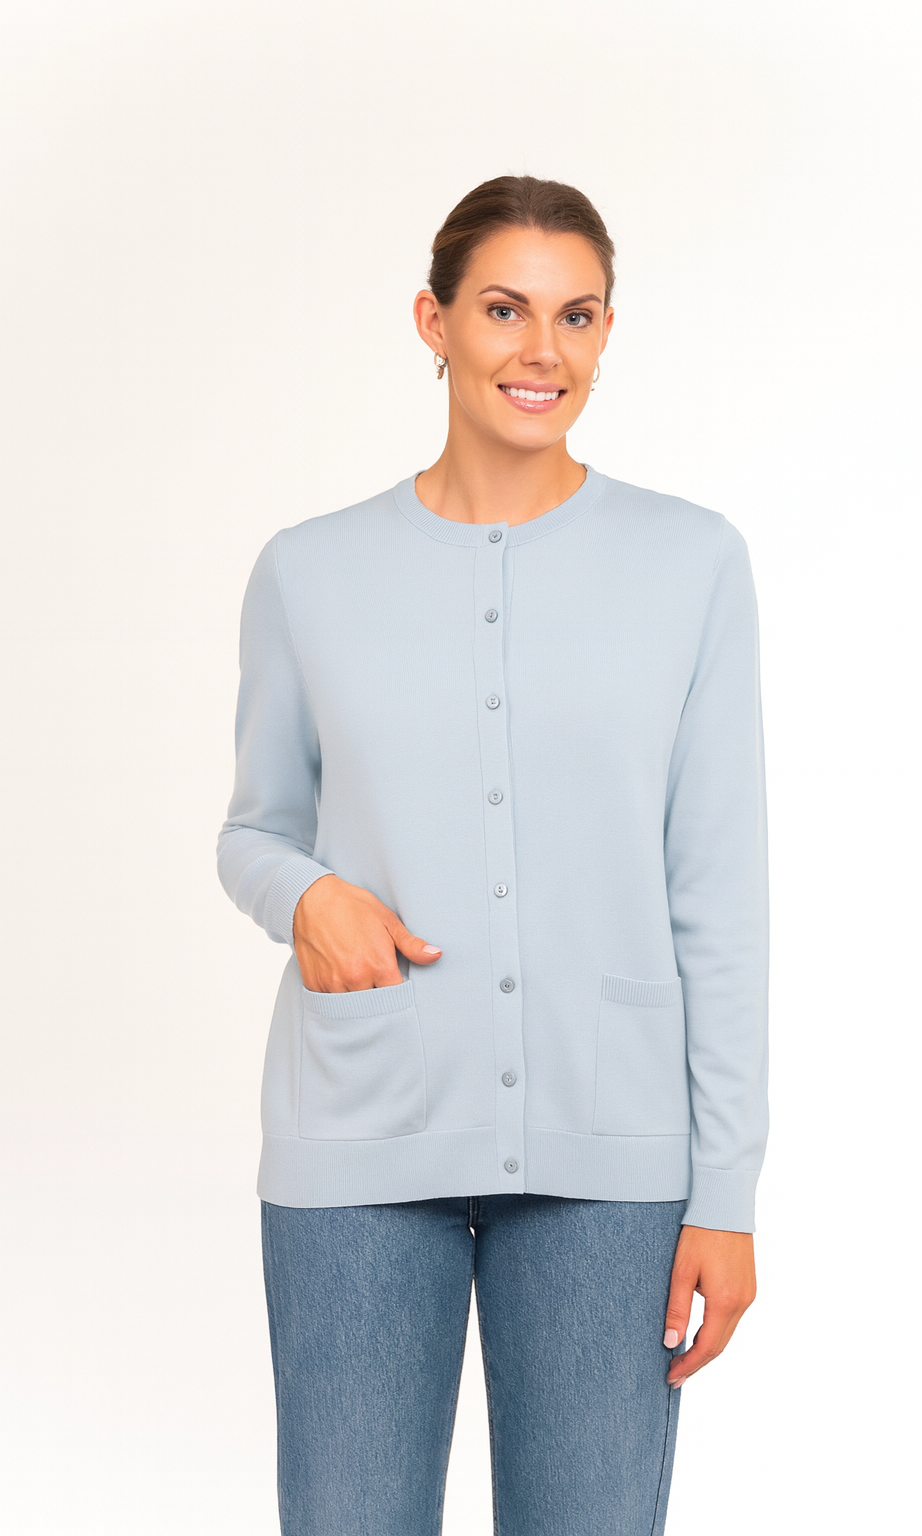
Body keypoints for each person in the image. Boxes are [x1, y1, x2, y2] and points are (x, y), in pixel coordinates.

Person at [217, 174, 769, 1536]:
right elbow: (253, 832)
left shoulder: (692, 564)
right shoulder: (309, 571)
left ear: (607, 331)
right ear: (435, 322)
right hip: (361, 1136)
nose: (543, 350)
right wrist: (307, 894)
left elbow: (719, 897)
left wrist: (727, 1193)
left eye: (577, 315)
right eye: (506, 310)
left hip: (611, 1157)